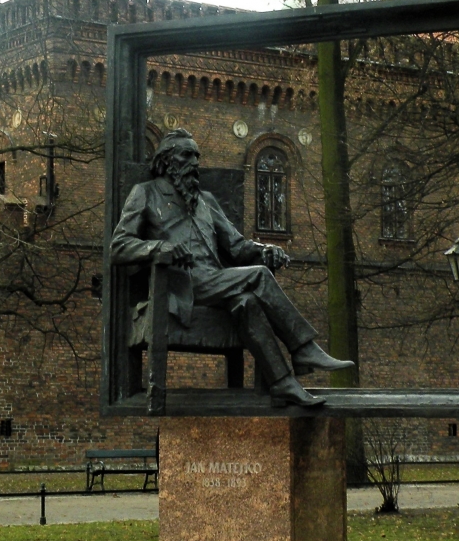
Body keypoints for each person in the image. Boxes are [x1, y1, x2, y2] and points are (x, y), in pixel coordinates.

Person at [110, 128, 354, 407]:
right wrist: (159, 248)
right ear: (167, 160)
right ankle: (302, 348)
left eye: (197, 156)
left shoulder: (205, 201)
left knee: (247, 302)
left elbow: (237, 246)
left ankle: (283, 383)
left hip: (214, 281)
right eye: (187, 155)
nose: (195, 162)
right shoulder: (145, 193)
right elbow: (118, 246)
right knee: (259, 276)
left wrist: (264, 249)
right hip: (179, 285)